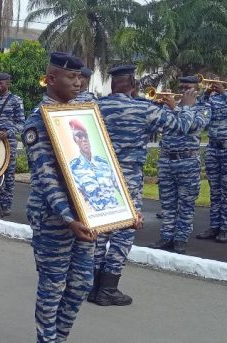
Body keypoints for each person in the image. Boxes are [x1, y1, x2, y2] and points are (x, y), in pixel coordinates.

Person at [92, 64, 205, 306]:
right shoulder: (143, 108)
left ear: (113, 84)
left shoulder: (97, 106)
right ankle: (108, 289)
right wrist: (186, 106)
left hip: (101, 178)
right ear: (133, 84)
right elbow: (181, 126)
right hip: (128, 181)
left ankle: (93, 286)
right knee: (123, 233)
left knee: (101, 231)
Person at [21, 52, 101, 342]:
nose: (78, 83)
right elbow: (45, 177)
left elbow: (98, 166)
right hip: (53, 217)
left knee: (81, 284)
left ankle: (59, 337)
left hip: (83, 215)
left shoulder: (80, 116)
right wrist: (68, 218)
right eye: (71, 76)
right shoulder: (38, 121)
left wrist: (122, 211)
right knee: (53, 287)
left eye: (80, 77)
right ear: (52, 79)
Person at [148, 76, 208, 254]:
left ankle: (181, 239)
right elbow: (159, 126)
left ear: (196, 90)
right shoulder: (169, 106)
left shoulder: (203, 107)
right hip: (167, 160)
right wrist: (162, 106)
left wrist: (179, 108)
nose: (183, 91)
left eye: (187, 87)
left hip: (187, 162)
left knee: (186, 204)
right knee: (167, 203)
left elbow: (194, 126)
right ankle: (166, 237)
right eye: (181, 87)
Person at [0, 72, 24, 216]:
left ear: (8, 84)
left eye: (0, 83)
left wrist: (8, 133)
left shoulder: (16, 100)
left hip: (8, 142)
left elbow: (21, 123)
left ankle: (7, 205)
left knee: (8, 175)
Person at [196, 78, 227, 243]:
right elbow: (199, 108)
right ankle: (214, 226)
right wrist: (207, 93)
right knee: (215, 190)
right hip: (213, 148)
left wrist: (224, 93)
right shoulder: (213, 100)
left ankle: (225, 228)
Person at [67, 119, 121, 212]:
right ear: (75, 140)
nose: (84, 139)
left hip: (116, 213)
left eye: (85, 136)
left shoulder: (103, 162)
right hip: (96, 216)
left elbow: (120, 187)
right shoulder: (73, 168)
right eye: (79, 136)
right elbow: (79, 199)